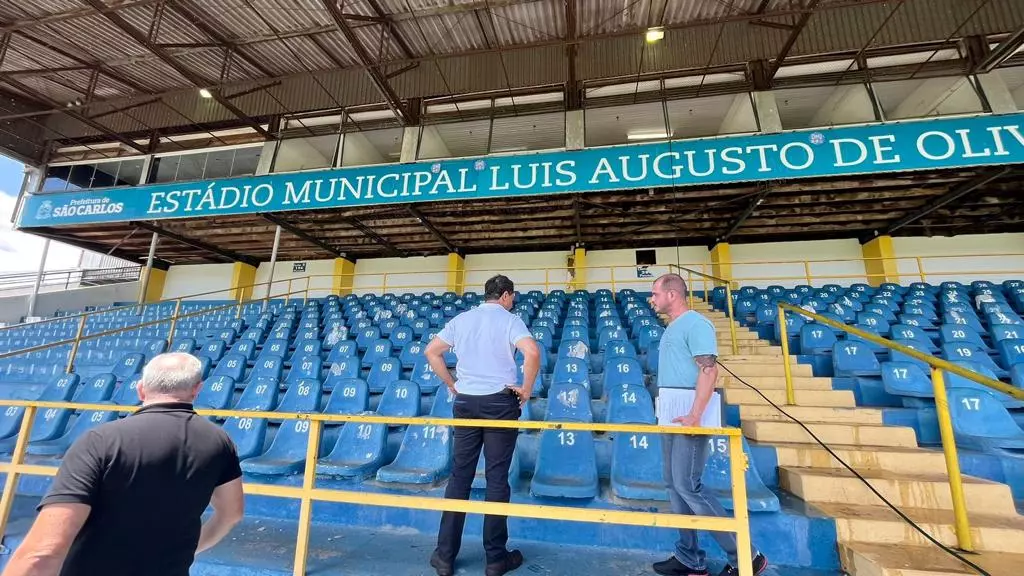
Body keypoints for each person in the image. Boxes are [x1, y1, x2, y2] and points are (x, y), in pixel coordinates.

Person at [3, 352, 245, 576]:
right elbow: (232, 514)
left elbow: (41, 554)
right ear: (196, 390)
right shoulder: (220, 442)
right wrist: (189, 551)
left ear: (140, 389)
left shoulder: (100, 440)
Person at [649, 274, 768, 576]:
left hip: (689, 414)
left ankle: (747, 556)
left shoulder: (697, 324)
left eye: (655, 294)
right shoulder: (672, 327)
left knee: (689, 484)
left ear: (673, 294)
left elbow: (708, 371)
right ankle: (689, 557)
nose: (652, 299)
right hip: (671, 414)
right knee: (674, 486)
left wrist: (695, 414)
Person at [428, 274, 541, 576]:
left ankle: (444, 557)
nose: (512, 301)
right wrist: (526, 389)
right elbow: (532, 352)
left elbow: (431, 352)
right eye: (512, 296)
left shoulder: (463, 319)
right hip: (499, 403)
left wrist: (451, 383)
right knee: (496, 478)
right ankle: (495, 559)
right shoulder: (509, 319)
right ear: (505, 295)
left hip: (466, 401)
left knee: (460, 477)